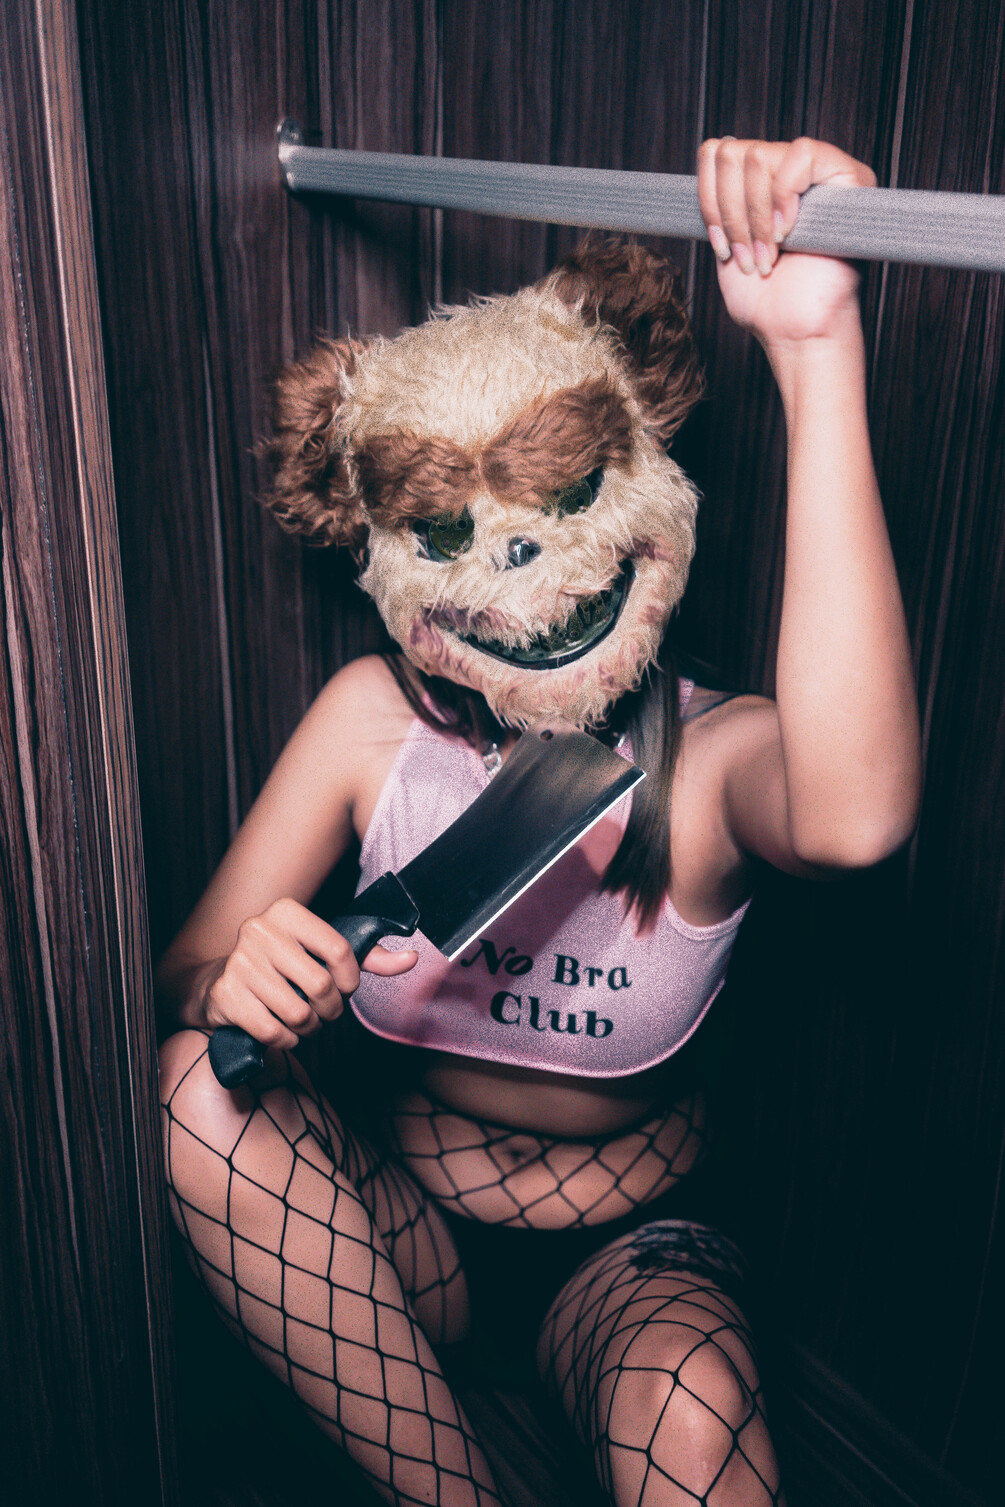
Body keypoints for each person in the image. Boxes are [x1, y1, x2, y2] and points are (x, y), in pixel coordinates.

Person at [156, 137, 920, 1507]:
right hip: (407, 1245)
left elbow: (856, 820)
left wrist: (814, 351)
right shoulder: (371, 723)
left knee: (692, 1425)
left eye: (561, 503)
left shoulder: (709, 755)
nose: (515, 576)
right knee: (195, 1095)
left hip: (629, 1255)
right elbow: (189, 974)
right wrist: (238, 984)